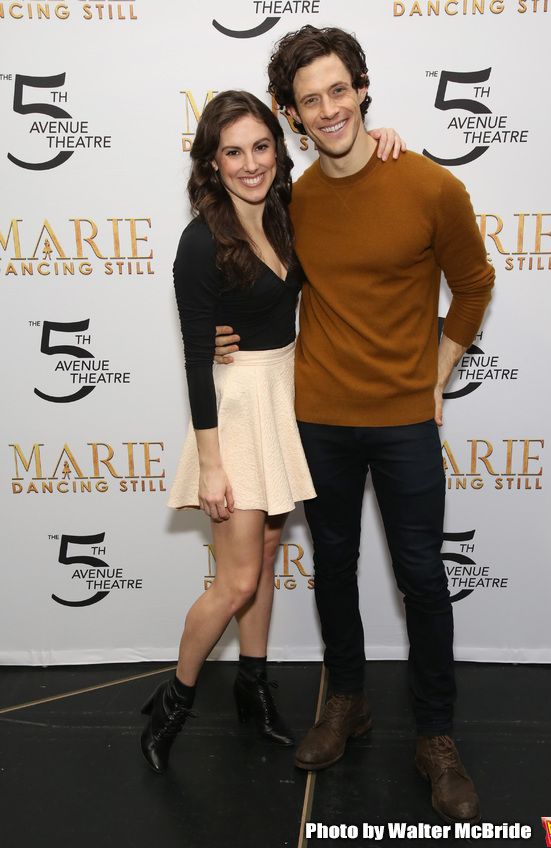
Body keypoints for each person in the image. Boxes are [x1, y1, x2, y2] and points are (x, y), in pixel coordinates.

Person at [215, 26, 494, 824]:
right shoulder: (292, 200)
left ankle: (436, 737)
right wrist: (219, 334)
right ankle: (347, 700)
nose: (329, 109)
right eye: (310, 100)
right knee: (332, 568)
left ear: (363, 89)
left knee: (423, 579)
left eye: (339, 90)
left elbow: (474, 284)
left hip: (403, 420)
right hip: (319, 418)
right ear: (293, 116)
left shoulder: (431, 186)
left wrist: (436, 374)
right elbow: (253, 276)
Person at [139, 89, 404, 775]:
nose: (251, 163)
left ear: (277, 151)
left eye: (261, 146)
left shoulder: (287, 212)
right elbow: (197, 359)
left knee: (264, 553)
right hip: (237, 410)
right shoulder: (201, 241)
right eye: (233, 152)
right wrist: (212, 465)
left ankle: (253, 691)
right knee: (236, 581)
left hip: (288, 394)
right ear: (212, 162)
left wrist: (385, 143)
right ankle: (173, 703)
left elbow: (351, 180)